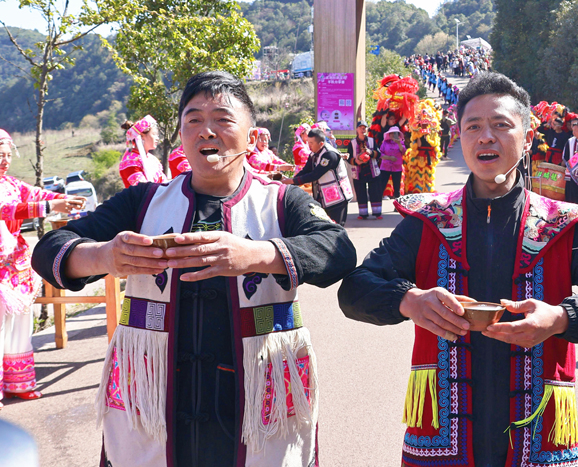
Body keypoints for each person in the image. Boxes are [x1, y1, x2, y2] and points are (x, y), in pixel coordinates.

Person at [32, 71, 357, 466]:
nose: (207, 131)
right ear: (182, 136)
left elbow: (337, 250)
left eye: (222, 119)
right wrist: (103, 257)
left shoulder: (281, 202)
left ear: (252, 136)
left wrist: (255, 256)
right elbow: (50, 249)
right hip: (158, 394)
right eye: (194, 120)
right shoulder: (143, 201)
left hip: (255, 392)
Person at [338, 72, 578, 467]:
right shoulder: (427, 220)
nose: (486, 137)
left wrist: (561, 317)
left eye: (501, 125)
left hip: (538, 434)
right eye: (473, 127)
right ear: (458, 138)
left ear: (528, 138)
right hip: (442, 439)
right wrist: (409, 301)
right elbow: (356, 288)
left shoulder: (562, 224)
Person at [0, 129, 85, 410]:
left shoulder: (10, 183)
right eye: (0, 154)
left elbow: (33, 194)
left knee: (20, 324)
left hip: (15, 265)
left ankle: (19, 384)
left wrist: (63, 199)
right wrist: (50, 205)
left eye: (9, 154)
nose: (5, 159)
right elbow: (10, 210)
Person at [285, 128, 352, 225]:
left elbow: (315, 175)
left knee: (337, 227)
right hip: (324, 198)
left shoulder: (330, 154)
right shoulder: (314, 154)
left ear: (320, 144)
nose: (309, 145)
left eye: (311, 143)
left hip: (337, 198)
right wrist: (291, 182)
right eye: (308, 142)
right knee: (325, 226)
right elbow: (306, 170)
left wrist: (292, 181)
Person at [347, 121, 382, 220]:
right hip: (359, 172)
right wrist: (356, 161)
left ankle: (377, 213)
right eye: (361, 127)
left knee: (375, 191)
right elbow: (348, 157)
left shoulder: (371, 140)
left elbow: (379, 154)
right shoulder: (352, 143)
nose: (363, 129)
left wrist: (370, 152)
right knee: (360, 192)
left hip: (372, 171)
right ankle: (363, 214)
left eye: (365, 127)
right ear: (357, 130)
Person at [119, 116, 165, 187]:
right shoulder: (130, 162)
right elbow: (143, 190)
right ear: (142, 136)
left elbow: (164, 182)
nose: (157, 138)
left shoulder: (152, 159)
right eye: (154, 134)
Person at [378, 126, 406, 203]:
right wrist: (389, 158)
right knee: (381, 186)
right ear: (389, 134)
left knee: (397, 188)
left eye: (395, 133)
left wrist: (398, 143)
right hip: (385, 167)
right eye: (392, 133)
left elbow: (403, 151)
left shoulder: (401, 143)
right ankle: (377, 205)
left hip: (397, 168)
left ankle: (397, 206)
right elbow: (380, 154)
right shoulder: (385, 143)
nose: (393, 135)